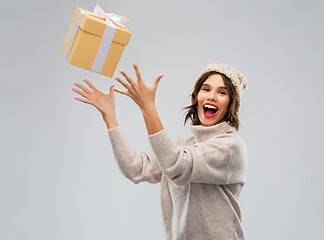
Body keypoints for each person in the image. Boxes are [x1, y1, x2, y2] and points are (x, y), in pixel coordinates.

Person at [72, 62, 248, 240]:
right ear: (196, 97)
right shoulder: (184, 148)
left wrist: (147, 106)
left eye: (222, 92)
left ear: (231, 104)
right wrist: (109, 116)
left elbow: (176, 166)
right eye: (206, 89)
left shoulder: (230, 147)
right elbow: (135, 168)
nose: (212, 96)